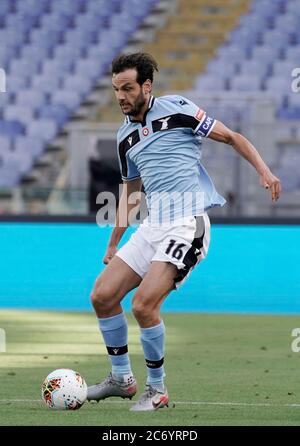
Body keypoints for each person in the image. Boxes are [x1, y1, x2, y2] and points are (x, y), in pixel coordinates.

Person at [87, 52, 281, 411]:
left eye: (127, 88)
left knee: (144, 305)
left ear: (146, 85)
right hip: (152, 226)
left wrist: (264, 171)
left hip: (187, 223)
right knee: (102, 295)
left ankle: (157, 389)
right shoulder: (125, 136)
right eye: (116, 89)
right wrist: (114, 240)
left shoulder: (178, 109)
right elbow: (130, 192)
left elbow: (231, 137)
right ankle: (121, 379)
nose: (121, 97)